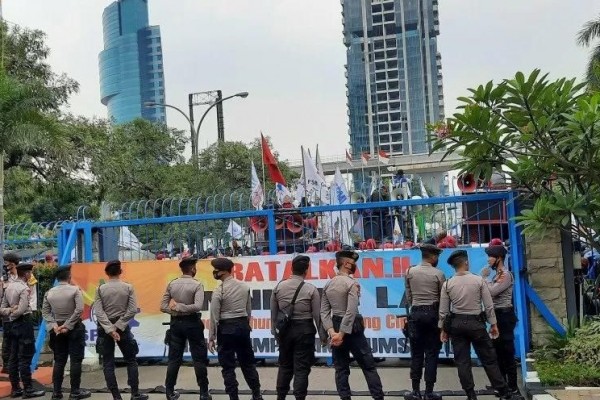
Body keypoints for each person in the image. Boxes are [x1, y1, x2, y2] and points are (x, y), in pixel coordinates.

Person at [439, 250, 513, 400]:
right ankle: (503, 392)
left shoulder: (448, 284)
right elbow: (488, 305)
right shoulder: (478, 280)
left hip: (457, 324)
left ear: (454, 266)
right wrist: (493, 324)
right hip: (476, 324)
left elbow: (444, 311)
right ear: (466, 263)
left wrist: (443, 330)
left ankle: (471, 395)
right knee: (489, 359)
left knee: (462, 362)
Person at [320, 250, 384, 400]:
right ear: (346, 263)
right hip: (353, 328)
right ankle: (378, 397)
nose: (355, 265)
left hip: (335, 327)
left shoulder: (328, 284)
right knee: (368, 366)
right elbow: (351, 311)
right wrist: (341, 334)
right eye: (353, 262)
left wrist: (332, 333)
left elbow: (324, 312)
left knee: (341, 368)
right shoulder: (352, 284)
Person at [208, 258, 263, 400]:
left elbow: (214, 316)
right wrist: (244, 325)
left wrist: (211, 337)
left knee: (227, 366)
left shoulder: (219, 290)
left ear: (224, 271)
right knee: (248, 363)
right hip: (243, 327)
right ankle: (256, 394)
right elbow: (248, 310)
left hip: (226, 329)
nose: (215, 273)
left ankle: (234, 397)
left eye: (216, 270)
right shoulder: (244, 286)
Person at [93, 260, 148, 400]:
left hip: (104, 329)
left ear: (106, 273)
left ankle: (116, 396)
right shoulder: (128, 287)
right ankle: (135, 394)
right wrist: (117, 326)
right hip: (123, 328)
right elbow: (132, 310)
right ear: (120, 272)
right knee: (131, 360)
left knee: (108, 362)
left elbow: (99, 313)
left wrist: (110, 329)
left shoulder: (100, 289)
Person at [270, 255, 322, 400]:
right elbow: (317, 316)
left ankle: (280, 396)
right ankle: (299, 397)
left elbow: (274, 314)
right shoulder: (311, 289)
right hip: (305, 331)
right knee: (301, 369)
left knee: (285, 366)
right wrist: (323, 337)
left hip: (285, 332)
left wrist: (275, 332)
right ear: (306, 270)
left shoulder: (278, 287)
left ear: (291, 268)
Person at [160, 257, 211, 400]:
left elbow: (163, 307)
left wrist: (176, 311)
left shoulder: (172, 284)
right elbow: (198, 306)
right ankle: (204, 393)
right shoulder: (197, 285)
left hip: (176, 324)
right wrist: (184, 308)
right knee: (199, 359)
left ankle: (169, 392)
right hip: (192, 323)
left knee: (174, 359)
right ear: (193, 269)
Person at [403, 244, 446, 400]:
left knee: (416, 354)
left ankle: (415, 391)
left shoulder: (410, 272)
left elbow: (409, 297)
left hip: (416, 314)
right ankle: (429, 392)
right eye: (437, 257)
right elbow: (443, 299)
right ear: (433, 257)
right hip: (433, 314)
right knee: (432, 354)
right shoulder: (439, 274)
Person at [41, 265, 91, 400]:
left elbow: (45, 312)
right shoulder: (75, 290)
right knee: (75, 360)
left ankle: (56, 393)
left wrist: (54, 326)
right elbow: (79, 310)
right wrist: (68, 326)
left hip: (56, 330)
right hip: (74, 328)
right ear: (69, 277)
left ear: (57, 278)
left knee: (59, 360)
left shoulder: (49, 292)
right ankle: (75, 392)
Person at [481, 245, 521, 399]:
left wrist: (483, 279)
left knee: (507, 352)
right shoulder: (496, 276)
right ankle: (501, 385)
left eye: (490, 256)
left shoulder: (506, 275)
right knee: (497, 352)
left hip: (504, 316)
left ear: (498, 258)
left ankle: (513, 387)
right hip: (495, 316)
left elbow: (490, 292)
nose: (488, 259)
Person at [1, 262, 45, 398]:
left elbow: (2, 309)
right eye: (30, 273)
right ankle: (28, 389)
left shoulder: (9, 287)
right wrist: (14, 312)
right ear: (26, 274)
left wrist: (9, 311)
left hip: (11, 326)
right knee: (25, 357)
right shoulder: (24, 289)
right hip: (24, 324)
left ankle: (15, 389)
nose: (31, 275)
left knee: (13, 358)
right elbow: (21, 310)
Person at [1, 252, 20, 374]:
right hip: (7, 313)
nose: (6, 266)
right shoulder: (4, 279)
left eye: (7, 263)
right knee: (7, 338)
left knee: (19, 339)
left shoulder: (23, 276)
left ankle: (17, 363)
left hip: (21, 311)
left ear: (13, 264)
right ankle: (7, 364)